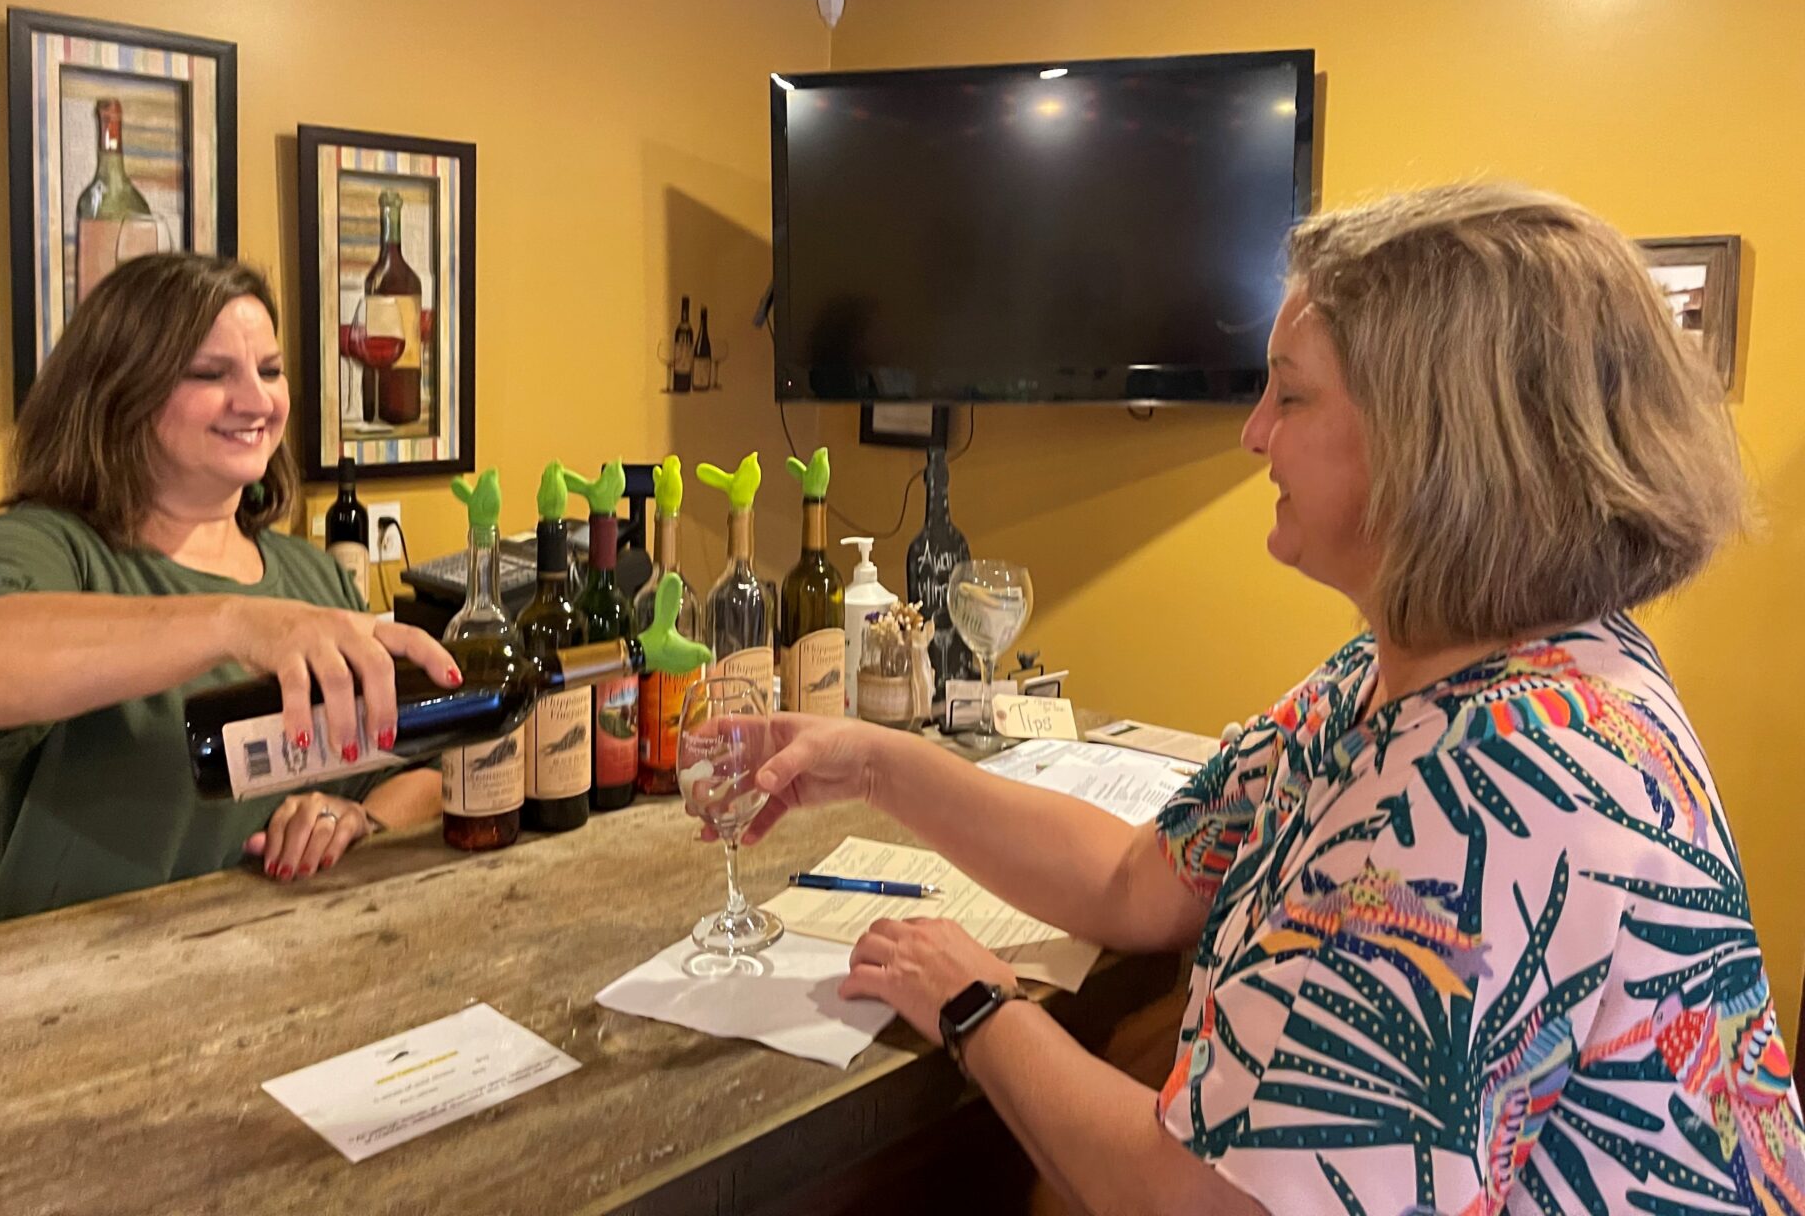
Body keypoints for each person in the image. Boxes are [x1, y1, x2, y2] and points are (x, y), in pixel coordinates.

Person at [731, 186, 1804, 1214]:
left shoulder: (1502, 780)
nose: (1253, 433)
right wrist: (871, 763)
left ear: (1438, 445)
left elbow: (1206, 1204)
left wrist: (975, 1005)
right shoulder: (1396, 672)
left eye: (1290, 395)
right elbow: (1136, 878)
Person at [0, 256, 460, 929]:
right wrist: (234, 623)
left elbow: (418, 768)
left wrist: (354, 816)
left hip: (276, 977)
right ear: (119, 391)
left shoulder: (314, 579)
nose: (257, 401)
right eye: (209, 374)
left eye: (270, 371)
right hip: (60, 997)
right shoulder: (47, 546)